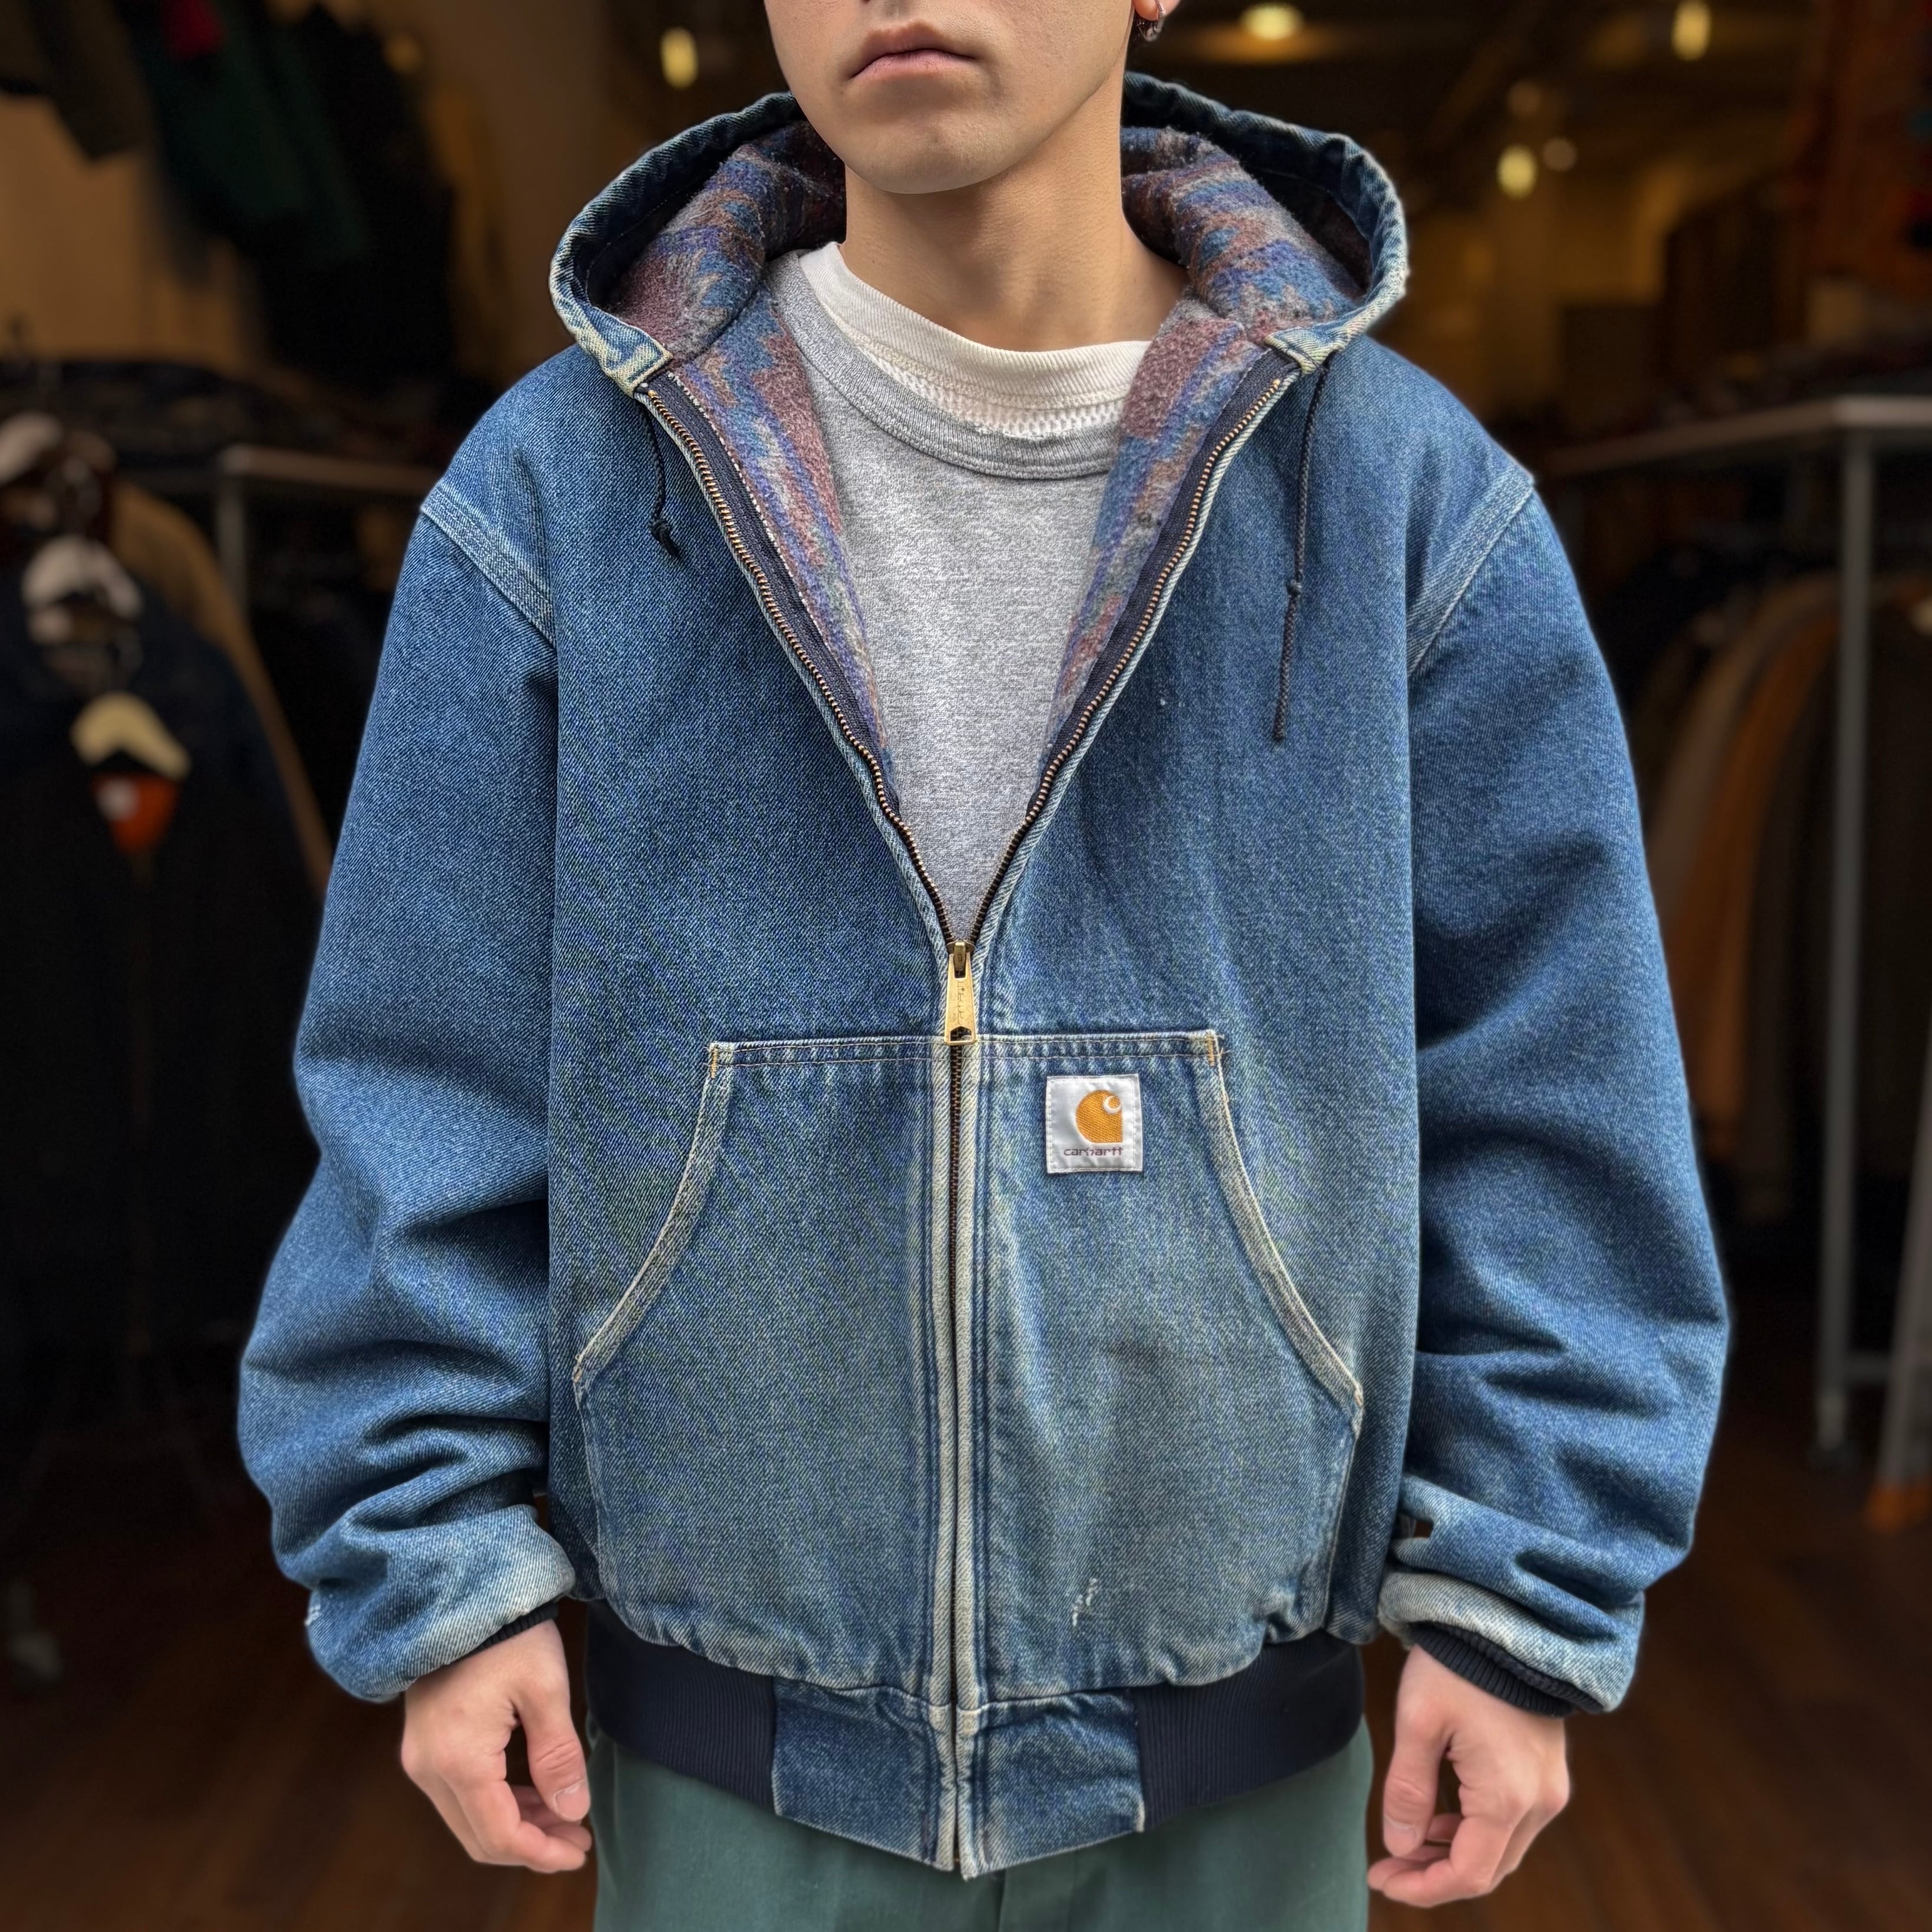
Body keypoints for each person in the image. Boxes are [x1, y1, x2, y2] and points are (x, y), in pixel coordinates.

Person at [238, 2, 1730, 1925]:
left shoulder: (1401, 503)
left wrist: (1522, 1590)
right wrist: (433, 1555)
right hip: (727, 1752)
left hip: (1236, 1749)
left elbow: (1551, 1088)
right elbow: (423, 1077)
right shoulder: (561, 496)